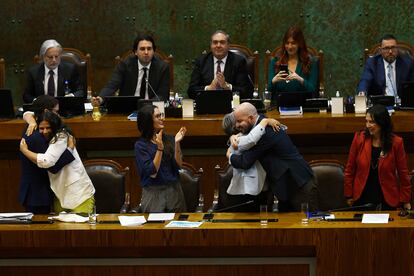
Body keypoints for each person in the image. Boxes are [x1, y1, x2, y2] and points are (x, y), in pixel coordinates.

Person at [228, 102, 315, 212]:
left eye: (239, 121)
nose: (236, 125)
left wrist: (229, 156)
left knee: (307, 225)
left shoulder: (265, 133)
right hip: (285, 185)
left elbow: (245, 162)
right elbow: (243, 137)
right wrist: (233, 137)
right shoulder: (260, 124)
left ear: (250, 118)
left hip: (298, 184)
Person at [20, 111, 95, 213]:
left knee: (80, 227)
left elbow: (47, 162)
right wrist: (32, 121)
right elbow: (27, 113)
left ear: (54, 126)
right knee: (60, 228)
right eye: (41, 128)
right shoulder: (46, 138)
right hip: (60, 195)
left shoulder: (62, 136)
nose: (45, 131)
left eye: (48, 128)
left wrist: (25, 151)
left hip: (79, 194)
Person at [344, 105, 411, 210]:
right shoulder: (359, 139)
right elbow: (350, 169)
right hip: (362, 197)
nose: (368, 125)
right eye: (366, 121)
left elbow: (403, 174)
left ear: (382, 123)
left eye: (372, 122)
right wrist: (349, 195)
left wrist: (406, 200)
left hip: (387, 199)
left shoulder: (396, 143)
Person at [19, 95, 75, 214]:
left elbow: (28, 113)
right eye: (56, 111)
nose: (58, 115)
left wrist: (29, 117)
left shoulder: (32, 126)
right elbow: (51, 166)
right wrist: (70, 150)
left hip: (34, 192)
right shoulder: (38, 136)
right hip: (38, 195)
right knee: (40, 230)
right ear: (46, 111)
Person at [134, 104, 187, 212]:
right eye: (157, 116)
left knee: (177, 227)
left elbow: (178, 165)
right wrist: (159, 148)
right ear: (148, 121)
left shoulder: (169, 139)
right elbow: (152, 172)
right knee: (155, 227)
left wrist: (177, 143)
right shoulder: (141, 145)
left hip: (174, 191)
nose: (162, 118)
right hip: (153, 195)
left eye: (161, 115)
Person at [92, 34, 169, 106]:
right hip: (128, 107)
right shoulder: (125, 65)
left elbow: (162, 95)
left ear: (153, 51)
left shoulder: (162, 67)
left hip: (152, 109)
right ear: (135, 52)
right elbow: (112, 85)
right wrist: (101, 99)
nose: (146, 52)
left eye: (149, 49)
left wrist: (148, 106)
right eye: (142, 49)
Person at [222, 112, 282, 196]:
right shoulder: (241, 140)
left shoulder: (237, 138)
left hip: (252, 186)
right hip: (249, 188)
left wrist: (231, 139)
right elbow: (251, 139)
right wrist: (265, 121)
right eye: (238, 121)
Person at [187, 30, 253, 100]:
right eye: (215, 42)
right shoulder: (201, 61)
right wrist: (208, 88)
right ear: (211, 45)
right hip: (207, 104)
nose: (218, 45)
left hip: (231, 105)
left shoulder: (238, 61)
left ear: (228, 45)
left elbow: (247, 91)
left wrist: (227, 86)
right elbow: (191, 91)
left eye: (222, 42)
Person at [23, 39, 84, 103]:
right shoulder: (33, 72)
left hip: (63, 108)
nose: (54, 60)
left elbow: (80, 91)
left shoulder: (70, 70)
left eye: (56, 56)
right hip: (42, 110)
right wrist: (37, 102)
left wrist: (71, 97)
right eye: (50, 57)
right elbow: (27, 95)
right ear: (43, 57)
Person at [267, 26, 319, 102]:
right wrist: (273, 81)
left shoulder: (310, 62)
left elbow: (313, 90)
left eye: (293, 43)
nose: (290, 47)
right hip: (279, 107)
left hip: (303, 106)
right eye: (287, 43)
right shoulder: (275, 62)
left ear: (300, 44)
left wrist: (300, 79)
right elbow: (269, 91)